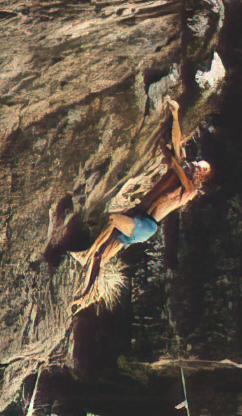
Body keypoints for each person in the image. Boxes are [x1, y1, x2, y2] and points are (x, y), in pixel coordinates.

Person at [69, 98, 211, 313]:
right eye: (198, 162)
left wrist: (174, 157)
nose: (196, 163)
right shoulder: (179, 171)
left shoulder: (189, 189)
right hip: (139, 217)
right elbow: (177, 141)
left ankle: (85, 254)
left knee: (111, 220)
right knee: (103, 257)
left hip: (147, 225)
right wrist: (174, 115)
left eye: (200, 166)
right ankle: (88, 296)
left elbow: (176, 155)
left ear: (200, 175)